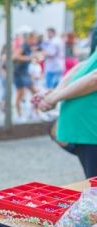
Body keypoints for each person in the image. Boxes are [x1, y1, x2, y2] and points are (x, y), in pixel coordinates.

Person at [33, 48, 97, 177]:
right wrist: (55, 93)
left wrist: (55, 97)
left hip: (92, 131)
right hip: (86, 131)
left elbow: (94, 79)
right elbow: (85, 65)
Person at [13, 31, 39, 120]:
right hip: (19, 73)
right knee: (20, 94)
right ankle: (19, 115)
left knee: (35, 92)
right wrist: (29, 58)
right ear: (30, 38)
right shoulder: (23, 46)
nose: (36, 41)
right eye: (34, 39)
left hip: (25, 73)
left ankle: (34, 113)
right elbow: (15, 56)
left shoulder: (29, 47)